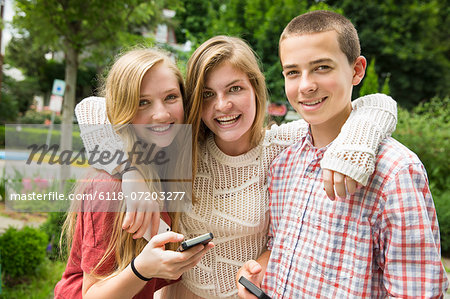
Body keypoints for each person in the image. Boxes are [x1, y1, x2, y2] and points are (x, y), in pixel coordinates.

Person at [76, 36, 397, 298]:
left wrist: (357, 141)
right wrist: (128, 171)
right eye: (207, 94)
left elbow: (375, 105)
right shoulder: (182, 149)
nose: (222, 105)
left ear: (255, 89)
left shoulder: (283, 145)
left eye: (235, 89)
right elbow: (93, 107)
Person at [236, 10, 449, 298]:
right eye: (293, 72)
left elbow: (418, 292)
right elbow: (278, 245)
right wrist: (258, 271)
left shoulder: (395, 172)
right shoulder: (283, 164)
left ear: (357, 70)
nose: (306, 85)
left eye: (322, 67)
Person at [54, 48, 213, 299]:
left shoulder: (167, 160)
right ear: (123, 110)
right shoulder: (110, 188)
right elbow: (91, 294)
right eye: (142, 102)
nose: (161, 114)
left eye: (171, 97)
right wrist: (142, 270)